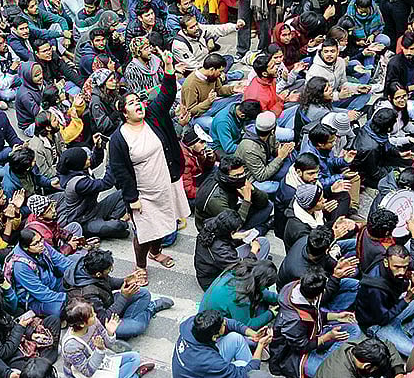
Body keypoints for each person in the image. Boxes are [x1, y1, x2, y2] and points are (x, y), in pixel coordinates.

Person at [109, 51, 188, 275]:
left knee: (165, 223)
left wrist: (169, 66)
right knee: (144, 232)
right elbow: (120, 171)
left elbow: (167, 93)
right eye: (132, 103)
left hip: (166, 182)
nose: (138, 105)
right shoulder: (119, 138)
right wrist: (132, 199)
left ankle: (157, 251)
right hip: (143, 193)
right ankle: (141, 265)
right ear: (124, 113)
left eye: (138, 101)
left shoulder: (153, 115)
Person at [171, 309, 278, 378]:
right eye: (223, 325)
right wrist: (260, 346)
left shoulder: (194, 324)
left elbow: (230, 323)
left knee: (235, 338)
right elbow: (242, 374)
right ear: (214, 337)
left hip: (199, 374)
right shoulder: (206, 360)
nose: (226, 323)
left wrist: (253, 334)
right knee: (242, 367)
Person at [64, 248, 171, 340]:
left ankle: (127, 325)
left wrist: (126, 281)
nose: (110, 271)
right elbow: (103, 319)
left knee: (143, 293)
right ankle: (148, 311)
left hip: (108, 301)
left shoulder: (88, 267)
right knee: (138, 326)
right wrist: (124, 296)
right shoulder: (87, 294)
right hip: (102, 322)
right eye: (109, 270)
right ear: (98, 274)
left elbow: (108, 281)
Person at [61, 298, 152, 378]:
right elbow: (87, 372)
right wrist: (99, 350)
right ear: (82, 324)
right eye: (91, 315)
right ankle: (135, 376)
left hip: (102, 363)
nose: (95, 315)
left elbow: (109, 344)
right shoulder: (71, 345)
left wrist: (110, 333)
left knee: (135, 357)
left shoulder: (94, 323)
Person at [199, 258, 279, 330]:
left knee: (262, 300)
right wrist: (271, 314)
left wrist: (278, 299)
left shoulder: (238, 270)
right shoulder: (241, 297)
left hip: (205, 312)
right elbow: (247, 326)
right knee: (263, 308)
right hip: (211, 326)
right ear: (262, 283)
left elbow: (261, 291)